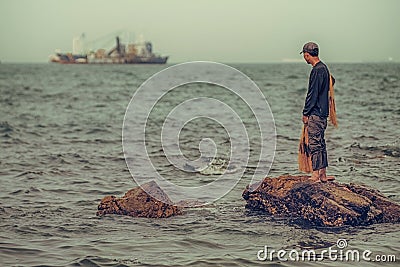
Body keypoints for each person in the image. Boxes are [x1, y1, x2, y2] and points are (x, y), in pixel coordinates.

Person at [300, 42, 334, 182]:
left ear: (307, 55)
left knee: (314, 144)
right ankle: (323, 175)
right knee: (321, 143)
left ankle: (315, 175)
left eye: (304, 55)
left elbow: (312, 94)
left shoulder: (316, 70)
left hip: (315, 113)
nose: (305, 58)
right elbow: (332, 81)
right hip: (323, 113)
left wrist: (306, 112)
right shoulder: (324, 68)